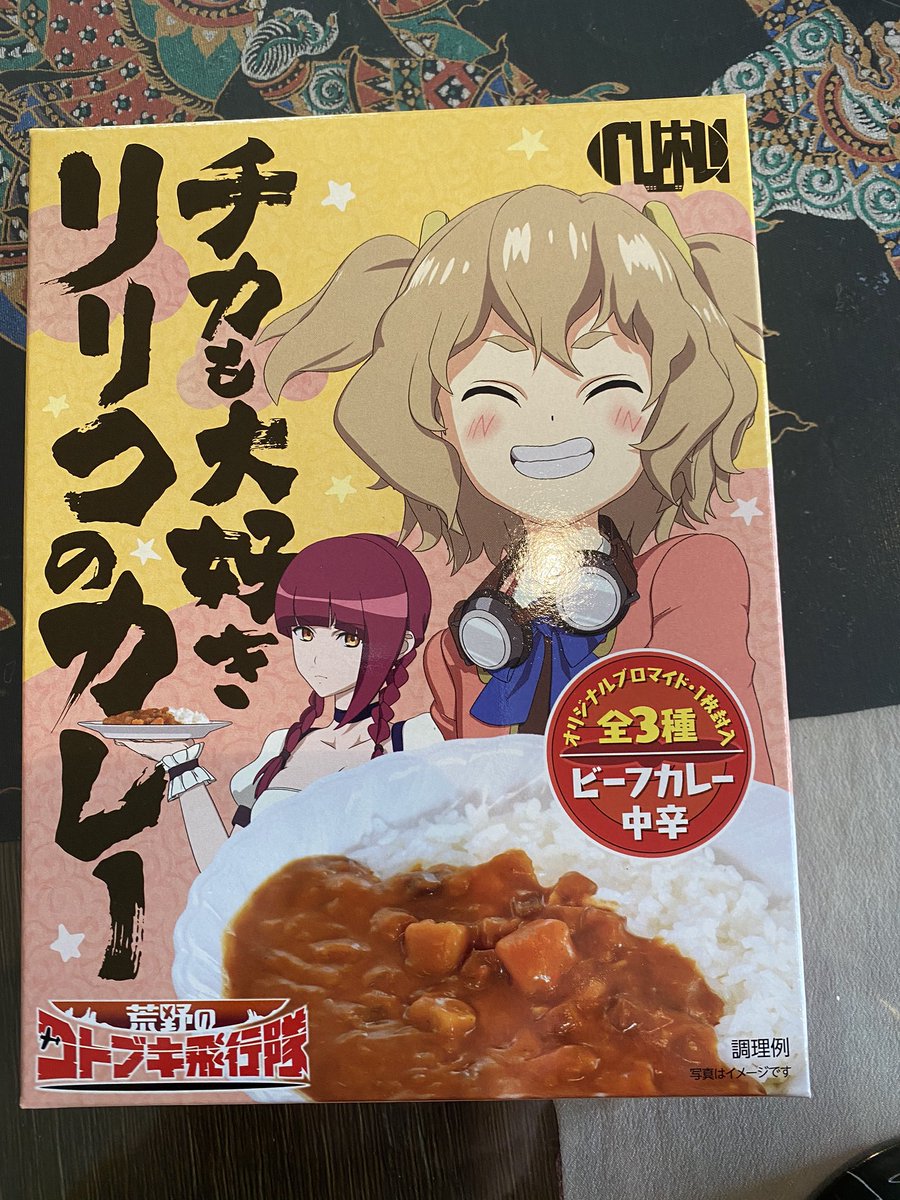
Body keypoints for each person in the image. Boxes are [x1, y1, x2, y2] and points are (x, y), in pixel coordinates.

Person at [259, 187, 774, 779]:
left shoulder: (689, 578)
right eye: (492, 393)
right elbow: (456, 772)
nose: (549, 425)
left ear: (668, 397)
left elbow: (719, 761)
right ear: (438, 418)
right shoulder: (460, 650)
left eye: (606, 386)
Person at [117, 534, 438, 871]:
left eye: (348, 637)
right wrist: (180, 762)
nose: (318, 657)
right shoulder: (282, 746)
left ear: (402, 645)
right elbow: (225, 868)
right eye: (305, 633)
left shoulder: (417, 741)